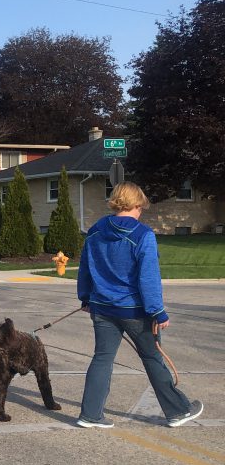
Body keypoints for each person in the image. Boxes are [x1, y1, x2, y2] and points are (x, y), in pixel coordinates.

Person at [76, 182, 202, 429]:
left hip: (102, 309)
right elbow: (148, 277)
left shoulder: (95, 231)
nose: (141, 211)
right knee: (153, 358)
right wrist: (158, 311)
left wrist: (85, 297)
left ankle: (90, 415)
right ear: (135, 205)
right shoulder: (143, 235)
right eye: (140, 207)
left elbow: (85, 268)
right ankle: (178, 411)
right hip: (136, 311)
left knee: (102, 358)